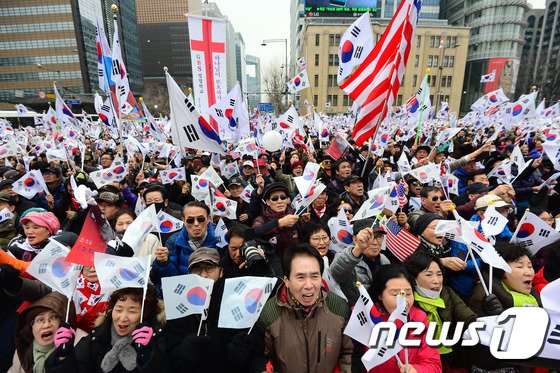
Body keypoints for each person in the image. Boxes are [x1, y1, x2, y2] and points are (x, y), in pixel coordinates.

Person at [252, 244, 354, 372]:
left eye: (314, 276)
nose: (309, 285)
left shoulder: (339, 307)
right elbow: (261, 356)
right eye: (300, 277)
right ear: (287, 280)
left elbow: (350, 352)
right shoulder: (269, 313)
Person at [165, 248, 253, 373]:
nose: (203, 275)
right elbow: (171, 355)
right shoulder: (178, 307)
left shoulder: (235, 304)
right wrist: (183, 350)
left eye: (209, 267)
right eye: (196, 269)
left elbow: (247, 357)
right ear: (189, 274)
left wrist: (240, 352)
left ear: (221, 271)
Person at [45, 285, 168, 372]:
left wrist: (147, 355)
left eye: (132, 311)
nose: (123, 317)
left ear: (144, 314)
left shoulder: (158, 338)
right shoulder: (96, 338)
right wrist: (62, 357)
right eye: (118, 309)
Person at [467, 243, 541, 372]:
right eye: (520, 266)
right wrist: (495, 320)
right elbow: (474, 344)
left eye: (530, 266)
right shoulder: (483, 296)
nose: (529, 272)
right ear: (501, 270)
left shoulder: (532, 298)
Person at [356, 264, 442, 373]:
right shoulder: (365, 318)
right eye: (396, 294)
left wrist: (416, 370)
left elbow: (433, 364)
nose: (403, 301)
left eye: (408, 293)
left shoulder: (419, 318)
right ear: (380, 295)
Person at [403, 250, 479, 371]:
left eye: (439, 274)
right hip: (422, 362)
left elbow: (468, 318)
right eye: (428, 275)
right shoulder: (407, 301)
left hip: (452, 358)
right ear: (413, 278)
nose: (436, 280)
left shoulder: (447, 293)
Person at [150, 201, 218, 293]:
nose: (196, 224)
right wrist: (163, 263)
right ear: (183, 220)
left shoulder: (220, 240)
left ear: (208, 218)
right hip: (185, 295)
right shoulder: (174, 241)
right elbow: (164, 280)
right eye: (190, 220)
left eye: (200, 219)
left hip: (214, 293)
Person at [9, 292, 78, 373]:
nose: (46, 325)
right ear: (31, 327)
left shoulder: (79, 345)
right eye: (40, 319)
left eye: (54, 317)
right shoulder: (22, 351)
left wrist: (62, 359)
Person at [330, 219, 390, 304]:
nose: (375, 242)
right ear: (355, 239)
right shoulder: (348, 258)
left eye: (379, 237)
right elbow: (336, 273)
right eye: (369, 237)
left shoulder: (384, 260)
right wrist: (358, 248)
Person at [252, 182, 306, 260]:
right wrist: (278, 224)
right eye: (274, 198)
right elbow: (253, 233)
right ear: (267, 202)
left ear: (288, 200)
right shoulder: (261, 219)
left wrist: (306, 223)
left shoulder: (296, 216)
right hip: (274, 266)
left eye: (283, 197)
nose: (280, 201)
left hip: (295, 263)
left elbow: (305, 239)